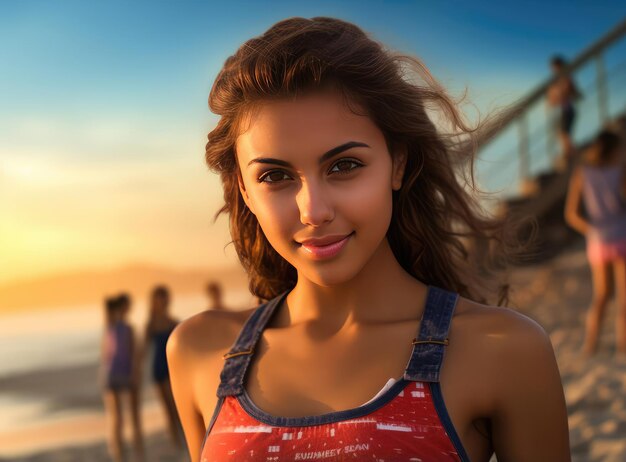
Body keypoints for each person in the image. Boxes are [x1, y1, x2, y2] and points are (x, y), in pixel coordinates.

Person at [167, 17, 571, 461]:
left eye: (344, 166)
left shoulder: (504, 350)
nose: (314, 210)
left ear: (397, 164)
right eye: (275, 175)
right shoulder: (199, 350)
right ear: (244, 190)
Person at [565, 129, 626, 356]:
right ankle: (623, 348)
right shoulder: (620, 171)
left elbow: (571, 214)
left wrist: (592, 230)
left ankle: (590, 346)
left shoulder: (582, 173)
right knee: (623, 298)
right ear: (614, 150)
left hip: (598, 241)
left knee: (601, 296)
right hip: (622, 234)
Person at [99, 293, 145, 462]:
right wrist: (135, 374)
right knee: (123, 418)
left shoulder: (113, 327)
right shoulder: (120, 327)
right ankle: (127, 455)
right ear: (122, 307)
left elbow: (134, 355)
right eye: (127, 305)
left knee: (124, 418)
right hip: (119, 374)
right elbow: (134, 355)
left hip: (116, 374)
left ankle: (130, 455)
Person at [142, 285, 182, 448]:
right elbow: (144, 350)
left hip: (172, 369)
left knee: (176, 408)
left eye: (164, 297)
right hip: (158, 369)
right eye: (159, 298)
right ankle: (176, 443)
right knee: (167, 409)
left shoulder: (173, 322)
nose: (162, 301)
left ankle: (183, 439)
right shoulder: (150, 324)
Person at [547, 55, 582, 169]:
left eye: (555, 67)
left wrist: (558, 96)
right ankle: (570, 156)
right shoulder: (558, 80)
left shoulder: (565, 78)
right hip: (563, 110)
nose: (554, 70)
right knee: (562, 134)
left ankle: (574, 157)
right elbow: (551, 99)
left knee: (564, 134)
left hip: (566, 110)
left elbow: (569, 93)